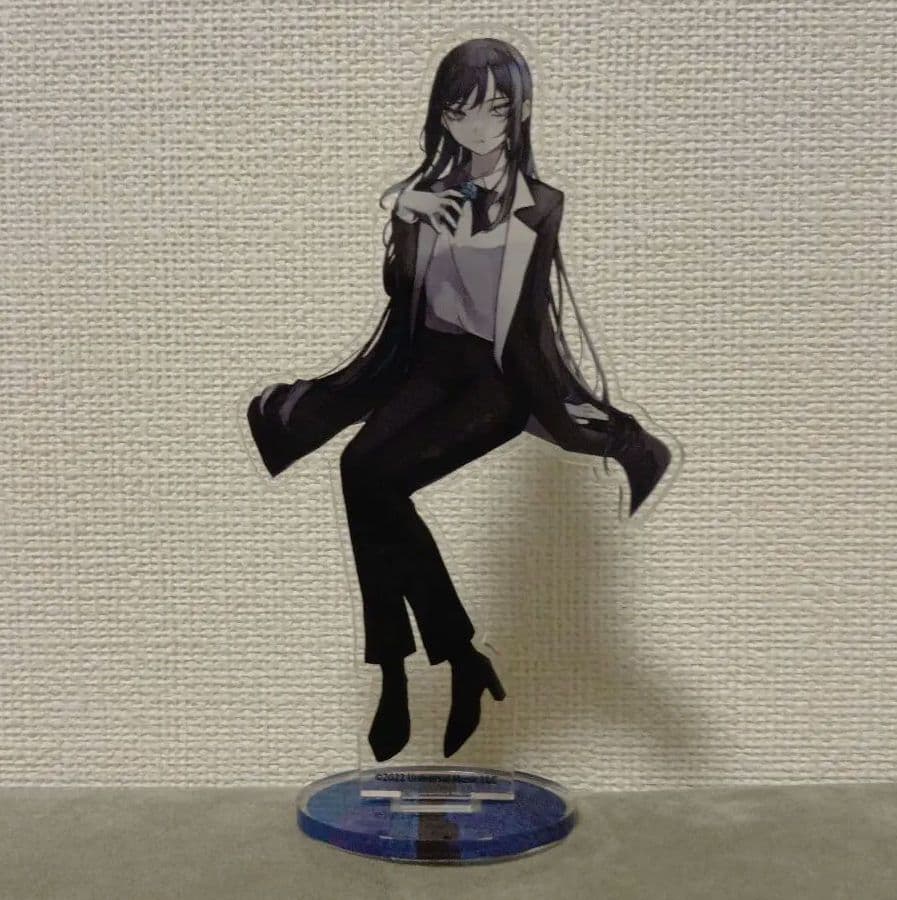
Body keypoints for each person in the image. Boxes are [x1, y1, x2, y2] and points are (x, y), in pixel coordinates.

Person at [246, 38, 680, 762]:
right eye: (459, 112)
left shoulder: (540, 206)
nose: (477, 127)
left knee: (375, 482)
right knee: (360, 475)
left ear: (519, 113)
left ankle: (411, 669)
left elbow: (527, 327)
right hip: (427, 367)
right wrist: (403, 208)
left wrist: (567, 411)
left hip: (496, 383)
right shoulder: (426, 197)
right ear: (441, 118)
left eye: (494, 110)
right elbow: (401, 295)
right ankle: (442, 662)